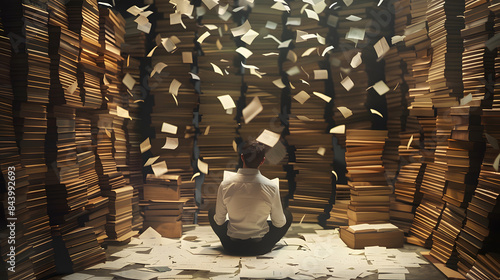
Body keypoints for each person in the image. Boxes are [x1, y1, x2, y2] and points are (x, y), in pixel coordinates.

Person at [209, 140, 293, 256]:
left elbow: (219, 221)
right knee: (287, 216)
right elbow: (279, 223)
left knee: (212, 212)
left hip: (232, 247)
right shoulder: (271, 187)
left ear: (242, 157)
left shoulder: (225, 185)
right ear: (262, 161)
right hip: (259, 247)